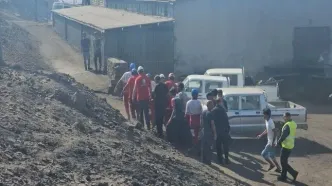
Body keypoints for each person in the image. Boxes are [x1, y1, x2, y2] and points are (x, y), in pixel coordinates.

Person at [257, 108, 281, 172]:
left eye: (264, 114)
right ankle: (278, 167)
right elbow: (267, 130)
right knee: (272, 155)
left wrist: (273, 142)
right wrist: (261, 135)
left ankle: (272, 165)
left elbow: (275, 132)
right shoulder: (266, 121)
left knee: (263, 154)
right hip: (270, 140)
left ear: (267, 115)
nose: (263, 116)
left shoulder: (270, 122)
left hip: (271, 142)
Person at [277, 112, 298, 183]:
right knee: (284, 161)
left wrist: (279, 142)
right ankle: (285, 175)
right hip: (291, 145)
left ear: (288, 117)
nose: (283, 118)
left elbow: (283, 135)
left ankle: (291, 174)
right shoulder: (293, 123)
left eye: (284, 117)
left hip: (286, 146)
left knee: (283, 162)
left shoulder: (287, 125)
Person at [212, 98, 231, 164]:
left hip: (217, 131)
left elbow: (212, 121)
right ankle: (226, 159)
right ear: (220, 102)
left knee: (218, 146)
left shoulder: (213, 110)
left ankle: (220, 160)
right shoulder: (223, 110)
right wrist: (228, 128)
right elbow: (226, 120)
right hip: (224, 130)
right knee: (225, 146)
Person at [201, 100, 217, 165]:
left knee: (204, 147)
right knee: (209, 147)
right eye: (212, 104)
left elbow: (201, 122)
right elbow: (212, 124)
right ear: (209, 105)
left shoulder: (204, 112)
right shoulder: (210, 114)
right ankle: (208, 161)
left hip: (204, 132)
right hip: (209, 133)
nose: (213, 106)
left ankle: (203, 160)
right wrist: (215, 134)